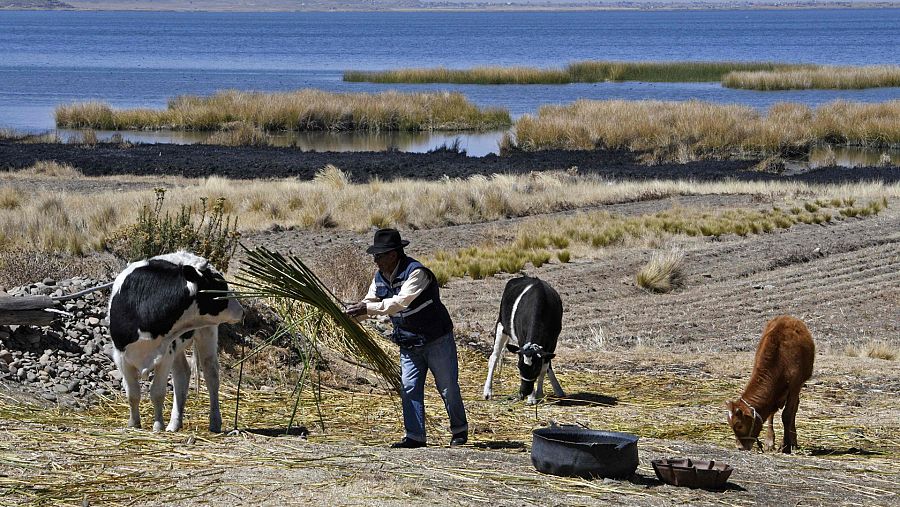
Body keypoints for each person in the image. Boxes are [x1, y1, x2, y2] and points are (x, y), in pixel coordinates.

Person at [345, 228, 468, 448]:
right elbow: (369, 302)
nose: (376, 261)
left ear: (393, 254)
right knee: (409, 387)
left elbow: (399, 303)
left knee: (448, 387)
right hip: (408, 342)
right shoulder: (379, 278)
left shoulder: (417, 273)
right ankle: (415, 437)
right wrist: (349, 317)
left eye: (379, 256)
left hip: (436, 339)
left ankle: (459, 430)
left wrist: (367, 308)